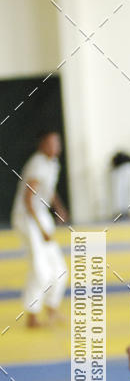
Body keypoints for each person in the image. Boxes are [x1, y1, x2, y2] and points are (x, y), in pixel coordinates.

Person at [11, 131, 69, 328]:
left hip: (41, 215)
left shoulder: (52, 164)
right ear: (42, 145)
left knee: (59, 269)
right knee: (40, 270)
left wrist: (59, 207)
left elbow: (49, 190)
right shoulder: (37, 164)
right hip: (28, 217)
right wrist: (39, 228)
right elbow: (28, 199)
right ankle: (32, 316)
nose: (56, 146)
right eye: (51, 143)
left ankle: (52, 308)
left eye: (57, 142)